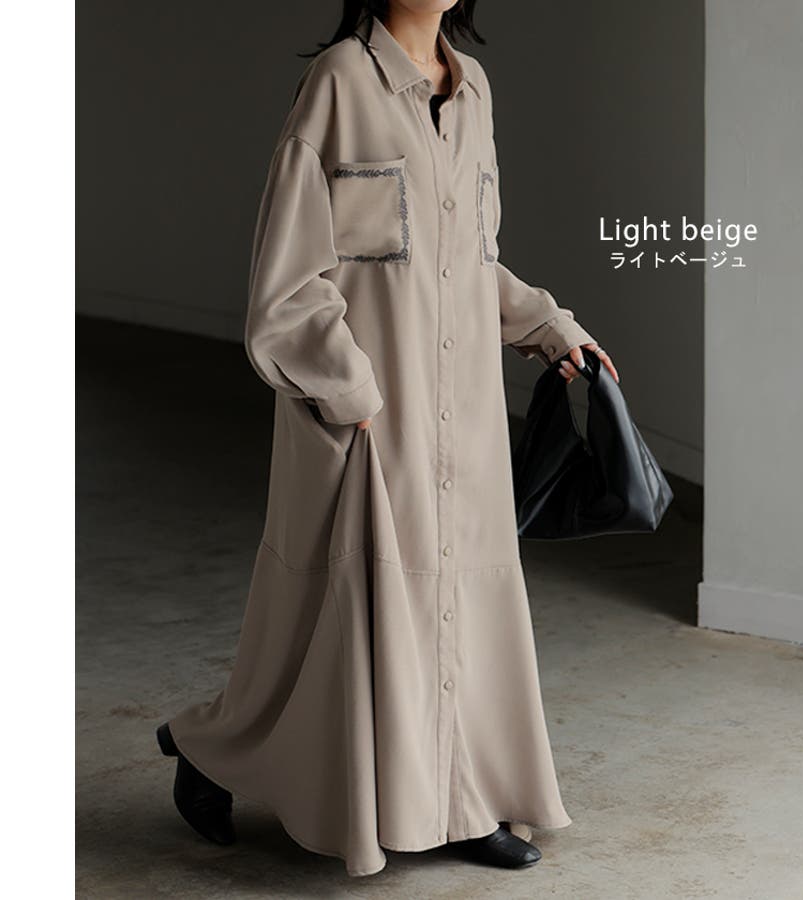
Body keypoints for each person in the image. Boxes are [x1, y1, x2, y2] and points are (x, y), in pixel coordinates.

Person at [156, 0, 619, 878]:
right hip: (370, 419)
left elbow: (469, 258)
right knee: (327, 628)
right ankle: (208, 749)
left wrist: (551, 328)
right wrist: (352, 391)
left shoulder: (474, 91)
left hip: (464, 416)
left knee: (460, 608)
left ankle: (460, 799)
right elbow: (286, 283)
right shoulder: (338, 82)